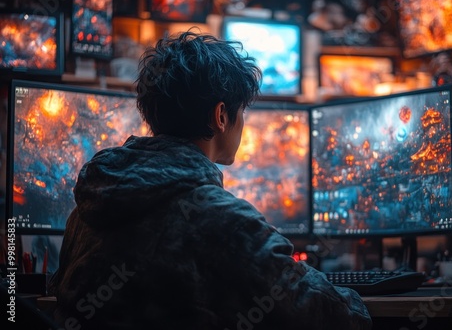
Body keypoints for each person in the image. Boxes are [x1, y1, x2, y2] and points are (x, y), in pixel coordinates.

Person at [49, 29, 372, 330]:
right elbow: (337, 315)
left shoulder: (85, 212)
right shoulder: (225, 222)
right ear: (221, 116)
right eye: (241, 111)